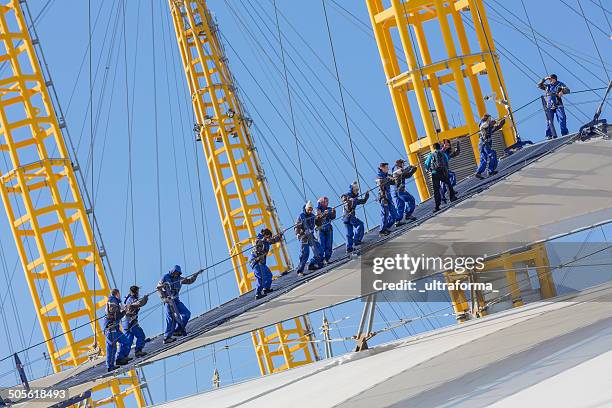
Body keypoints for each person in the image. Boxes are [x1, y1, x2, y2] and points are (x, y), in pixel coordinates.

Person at [157, 265, 200, 344]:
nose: (176, 274)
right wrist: (164, 298)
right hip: (168, 302)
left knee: (186, 314)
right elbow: (158, 288)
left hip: (176, 301)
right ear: (172, 271)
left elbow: (189, 281)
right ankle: (167, 337)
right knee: (171, 319)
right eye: (175, 272)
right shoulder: (165, 277)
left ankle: (178, 330)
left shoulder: (179, 279)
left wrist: (196, 274)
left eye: (178, 273)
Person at [250, 228, 282, 299]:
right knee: (261, 277)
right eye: (269, 237)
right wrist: (265, 239)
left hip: (262, 262)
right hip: (257, 262)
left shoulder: (266, 241)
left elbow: (273, 241)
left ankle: (266, 288)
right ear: (265, 236)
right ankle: (258, 293)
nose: (270, 239)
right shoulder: (259, 240)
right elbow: (258, 245)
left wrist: (279, 237)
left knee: (268, 275)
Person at [425, 142, 457, 212]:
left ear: (433, 148)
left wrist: (428, 169)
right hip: (443, 172)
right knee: (448, 184)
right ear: (439, 147)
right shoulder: (443, 154)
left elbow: (426, 164)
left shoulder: (431, 155)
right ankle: (452, 198)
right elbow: (446, 161)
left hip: (435, 173)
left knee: (436, 190)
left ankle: (437, 206)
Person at [104, 289, 131, 372]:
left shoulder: (115, 301)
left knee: (125, 341)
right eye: (119, 294)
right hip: (111, 329)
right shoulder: (112, 301)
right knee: (112, 347)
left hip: (116, 328)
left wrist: (123, 311)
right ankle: (110, 366)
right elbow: (116, 315)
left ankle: (120, 359)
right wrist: (124, 311)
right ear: (117, 294)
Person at [295, 201, 324, 276]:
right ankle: (300, 270)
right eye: (309, 209)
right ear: (306, 208)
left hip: (311, 236)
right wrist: (297, 233)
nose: (310, 211)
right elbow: (297, 226)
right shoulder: (301, 216)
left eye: (311, 209)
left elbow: (318, 223)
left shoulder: (312, 216)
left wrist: (320, 217)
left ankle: (313, 264)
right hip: (304, 236)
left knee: (319, 249)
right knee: (305, 253)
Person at [538, 74, 570, 138]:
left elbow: (567, 90)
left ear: (555, 79)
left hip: (558, 103)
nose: (550, 80)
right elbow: (539, 85)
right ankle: (549, 134)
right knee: (549, 120)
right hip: (549, 105)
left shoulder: (560, 84)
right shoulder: (548, 86)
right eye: (549, 79)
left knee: (562, 118)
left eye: (551, 79)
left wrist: (562, 91)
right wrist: (545, 79)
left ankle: (564, 133)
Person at [341, 182, 369, 253]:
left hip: (345, 218)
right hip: (349, 216)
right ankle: (356, 240)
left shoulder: (355, 198)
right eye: (356, 189)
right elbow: (343, 198)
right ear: (352, 189)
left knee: (349, 233)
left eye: (358, 189)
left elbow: (363, 201)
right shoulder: (349, 195)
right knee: (360, 224)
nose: (357, 191)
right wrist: (348, 199)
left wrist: (366, 195)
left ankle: (349, 248)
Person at [122, 286, 149, 358]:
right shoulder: (131, 299)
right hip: (131, 322)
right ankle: (138, 351)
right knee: (141, 335)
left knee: (129, 340)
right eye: (137, 291)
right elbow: (139, 304)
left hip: (126, 323)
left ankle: (124, 356)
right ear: (135, 292)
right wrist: (145, 298)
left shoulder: (128, 299)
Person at [475, 113, 505, 179]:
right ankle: (491, 170)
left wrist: (502, 122)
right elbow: (484, 125)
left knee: (484, 158)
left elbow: (496, 127)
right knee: (492, 154)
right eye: (489, 118)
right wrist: (493, 122)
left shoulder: (489, 128)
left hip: (482, 144)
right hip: (484, 143)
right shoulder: (483, 124)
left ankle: (478, 172)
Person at [376, 162, 402, 236]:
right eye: (386, 167)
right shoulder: (379, 176)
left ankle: (386, 228)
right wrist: (388, 178)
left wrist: (396, 176)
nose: (388, 169)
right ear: (382, 168)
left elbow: (394, 182)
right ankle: (382, 231)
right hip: (383, 197)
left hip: (389, 196)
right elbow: (380, 183)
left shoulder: (387, 175)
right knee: (385, 213)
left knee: (394, 213)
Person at [316, 196, 336, 264]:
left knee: (329, 245)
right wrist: (324, 213)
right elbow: (318, 217)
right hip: (321, 229)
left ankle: (327, 259)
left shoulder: (329, 209)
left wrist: (333, 212)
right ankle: (321, 260)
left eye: (327, 201)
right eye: (324, 202)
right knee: (322, 246)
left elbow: (332, 217)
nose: (326, 203)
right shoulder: (318, 210)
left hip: (328, 229)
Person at [440, 139, 460, 203]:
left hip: (445, 170)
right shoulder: (440, 152)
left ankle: (443, 196)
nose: (448, 145)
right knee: (450, 178)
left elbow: (456, 153)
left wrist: (458, 144)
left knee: (445, 183)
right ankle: (445, 195)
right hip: (440, 170)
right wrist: (444, 147)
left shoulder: (447, 153)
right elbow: (440, 152)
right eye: (446, 144)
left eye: (448, 144)